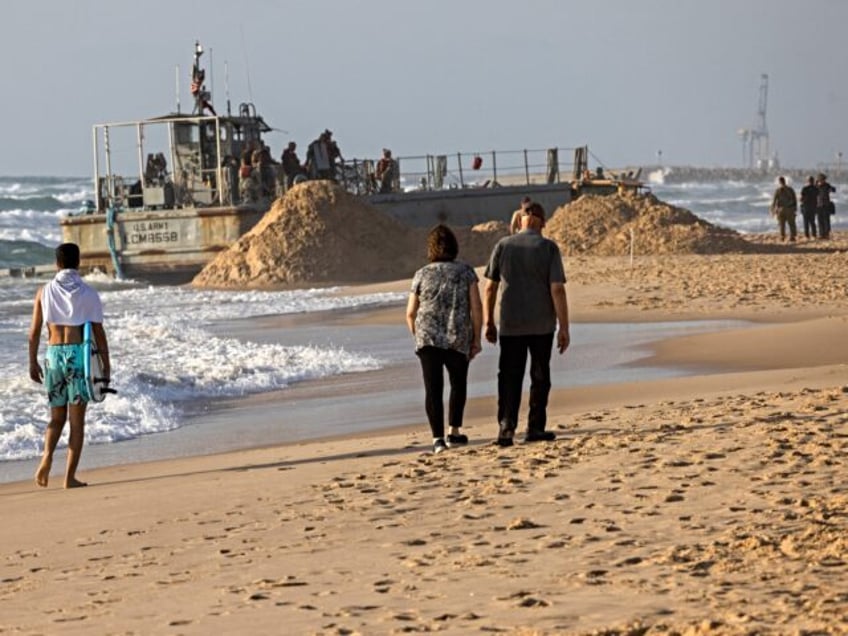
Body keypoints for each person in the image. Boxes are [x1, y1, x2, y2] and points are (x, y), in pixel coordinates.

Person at [483, 201, 570, 447]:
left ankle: (506, 426)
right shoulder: (548, 247)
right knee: (540, 376)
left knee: (509, 376)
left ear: (520, 220)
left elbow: (490, 287)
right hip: (542, 324)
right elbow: (558, 289)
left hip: (511, 323)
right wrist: (564, 327)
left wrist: (488, 321)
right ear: (542, 222)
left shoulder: (502, 245)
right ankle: (535, 428)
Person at [28, 243, 110, 489]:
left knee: (56, 417)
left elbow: (33, 333)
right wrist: (106, 365)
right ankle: (69, 478)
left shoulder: (44, 292)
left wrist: (32, 361)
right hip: (78, 358)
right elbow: (98, 332)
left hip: (53, 356)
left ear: (57, 264)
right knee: (76, 421)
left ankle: (46, 457)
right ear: (78, 262)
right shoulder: (88, 293)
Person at [406, 225, 482, 454]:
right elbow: (476, 307)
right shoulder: (466, 272)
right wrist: (476, 338)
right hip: (457, 335)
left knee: (433, 388)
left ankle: (437, 439)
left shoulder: (421, 273)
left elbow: (410, 312)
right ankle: (454, 432)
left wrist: (418, 335)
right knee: (458, 384)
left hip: (427, 336)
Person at [770, 176, 797, 242]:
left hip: (781, 210)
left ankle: (782, 237)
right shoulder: (790, 189)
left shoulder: (778, 190)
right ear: (785, 181)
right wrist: (795, 209)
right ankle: (792, 237)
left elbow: (774, 201)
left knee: (782, 224)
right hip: (789, 209)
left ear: (779, 182)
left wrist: (772, 210)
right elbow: (794, 199)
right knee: (791, 223)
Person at [815, 173, 835, 240]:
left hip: (826, 205)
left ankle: (826, 234)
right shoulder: (816, 186)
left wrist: (831, 189)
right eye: (820, 179)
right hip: (819, 205)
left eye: (823, 179)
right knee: (820, 220)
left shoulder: (827, 185)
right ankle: (821, 234)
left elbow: (833, 190)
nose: (822, 181)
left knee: (826, 220)